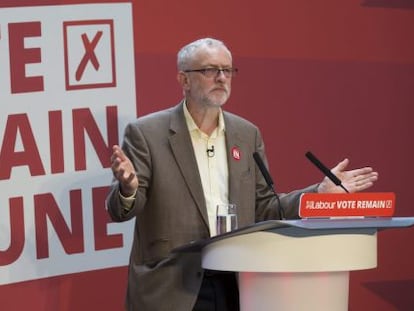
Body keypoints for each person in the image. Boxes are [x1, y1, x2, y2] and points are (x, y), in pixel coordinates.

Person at [106, 37, 378, 311]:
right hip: (173, 283)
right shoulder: (146, 133)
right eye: (210, 70)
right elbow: (121, 210)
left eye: (228, 70)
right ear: (184, 80)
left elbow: (265, 207)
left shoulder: (246, 134)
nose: (222, 78)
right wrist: (128, 188)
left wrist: (317, 194)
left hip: (237, 278)